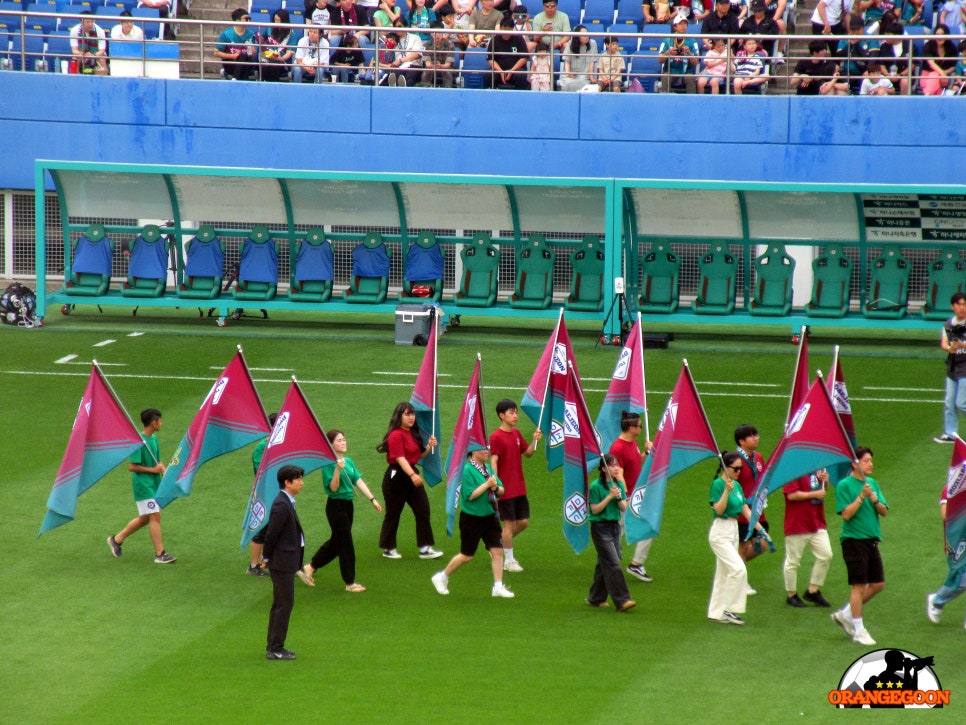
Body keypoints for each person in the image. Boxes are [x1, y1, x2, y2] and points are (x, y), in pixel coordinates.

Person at [298, 430, 382, 592]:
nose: (344, 442)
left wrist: (372, 499)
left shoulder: (349, 462)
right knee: (346, 544)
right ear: (331, 445)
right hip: (335, 507)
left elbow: (357, 480)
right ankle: (350, 582)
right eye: (339, 440)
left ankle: (309, 567)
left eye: (344, 439)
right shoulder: (328, 464)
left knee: (337, 543)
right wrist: (337, 469)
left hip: (348, 506)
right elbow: (334, 488)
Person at [431, 443, 515, 598]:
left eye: (487, 448)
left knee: (497, 550)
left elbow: (501, 491)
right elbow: (470, 495)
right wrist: (487, 484)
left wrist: (495, 487)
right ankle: (442, 576)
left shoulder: (488, 469)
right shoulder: (467, 471)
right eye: (483, 449)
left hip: (489, 516)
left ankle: (498, 586)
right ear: (472, 452)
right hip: (472, 518)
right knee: (467, 555)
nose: (486, 452)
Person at [831, 447, 889, 646]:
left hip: (871, 540)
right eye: (866, 461)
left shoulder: (872, 483)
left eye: (871, 460)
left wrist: (874, 500)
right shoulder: (844, 485)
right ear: (855, 464)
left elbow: (884, 511)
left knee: (878, 584)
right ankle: (858, 629)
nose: (870, 464)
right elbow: (846, 514)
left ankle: (846, 614)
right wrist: (862, 497)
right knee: (859, 585)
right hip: (853, 540)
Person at [107, 409, 176, 564]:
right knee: (155, 515)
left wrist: (163, 470)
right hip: (143, 485)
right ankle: (160, 554)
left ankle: (116, 540)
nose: (161, 423)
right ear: (154, 422)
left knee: (146, 518)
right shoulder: (139, 442)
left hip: (154, 483)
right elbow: (132, 466)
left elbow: (156, 461)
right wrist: (154, 470)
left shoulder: (154, 439)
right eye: (160, 421)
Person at [376, 401, 443, 559]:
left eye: (412, 414)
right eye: (407, 414)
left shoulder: (413, 433)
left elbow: (417, 456)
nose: (411, 417)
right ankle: (388, 548)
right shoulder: (395, 435)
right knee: (393, 513)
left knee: (423, 510)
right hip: (397, 477)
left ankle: (425, 548)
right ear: (399, 416)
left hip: (411, 473)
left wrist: (428, 447)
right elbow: (400, 458)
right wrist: (413, 475)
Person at [708, 452, 766, 625]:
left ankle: (716, 612)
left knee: (723, 572)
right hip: (720, 531)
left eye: (741, 468)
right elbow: (718, 510)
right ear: (726, 468)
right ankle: (729, 609)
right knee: (738, 569)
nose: (739, 471)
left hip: (732, 531)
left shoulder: (738, 486)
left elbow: (745, 510)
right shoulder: (718, 484)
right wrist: (726, 490)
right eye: (736, 468)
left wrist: (761, 531)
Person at [489, 399, 542, 572]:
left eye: (516, 412)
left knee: (524, 522)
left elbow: (527, 454)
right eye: (511, 413)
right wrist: (495, 481)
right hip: (505, 489)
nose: (515, 416)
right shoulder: (496, 436)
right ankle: (509, 561)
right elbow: (494, 459)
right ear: (501, 415)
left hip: (519, 487)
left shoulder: (517, 434)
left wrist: (535, 441)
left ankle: (499, 542)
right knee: (509, 525)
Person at [264, 464, 305, 660]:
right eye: (297, 479)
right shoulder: (282, 504)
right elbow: (271, 533)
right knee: (284, 604)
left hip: (284, 561)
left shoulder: (286, 502)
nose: (301, 482)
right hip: (282, 562)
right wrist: (266, 557)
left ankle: (273, 645)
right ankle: (276, 648)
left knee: (280, 604)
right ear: (287, 482)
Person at [586, 455, 637, 612]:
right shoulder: (596, 486)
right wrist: (609, 497)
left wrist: (620, 497)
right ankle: (622, 600)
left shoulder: (618, 484)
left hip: (614, 527)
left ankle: (595, 598)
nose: (616, 468)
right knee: (613, 563)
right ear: (604, 468)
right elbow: (594, 509)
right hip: (600, 527)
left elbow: (623, 508)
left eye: (617, 465)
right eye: (612, 465)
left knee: (604, 563)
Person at [609, 411, 654, 582]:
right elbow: (617, 474)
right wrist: (625, 497)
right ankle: (630, 564)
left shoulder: (632, 443)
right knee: (624, 530)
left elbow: (635, 463)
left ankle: (614, 562)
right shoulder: (618, 448)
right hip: (626, 498)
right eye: (640, 426)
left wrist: (646, 453)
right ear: (631, 428)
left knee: (620, 531)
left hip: (634, 496)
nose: (642, 428)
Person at [782, 470, 833, 608]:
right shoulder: (793, 469)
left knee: (826, 554)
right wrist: (814, 494)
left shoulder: (817, 468)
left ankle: (812, 591)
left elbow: (823, 489)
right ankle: (791, 595)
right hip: (797, 523)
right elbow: (792, 495)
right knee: (793, 561)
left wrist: (826, 481)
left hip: (816, 522)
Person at [733, 424, 769, 593]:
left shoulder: (759, 458)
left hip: (758, 511)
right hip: (742, 513)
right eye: (752, 435)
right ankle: (740, 582)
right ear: (741, 441)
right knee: (742, 546)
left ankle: (733, 568)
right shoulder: (735, 461)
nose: (757, 437)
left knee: (761, 544)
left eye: (757, 434)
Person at [926, 482, 966, 625]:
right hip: (957, 543)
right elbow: (945, 514)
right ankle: (937, 600)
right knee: (962, 580)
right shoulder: (951, 489)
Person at [247, 412, 278, 576]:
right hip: (264, 494)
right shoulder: (262, 447)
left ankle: (272, 561)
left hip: (279, 492)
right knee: (261, 528)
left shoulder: (280, 444)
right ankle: (254, 566)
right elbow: (261, 471)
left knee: (278, 527)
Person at [936, 293, 966, 443]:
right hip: (953, 367)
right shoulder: (948, 324)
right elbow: (944, 343)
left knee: (961, 403)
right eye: (959, 304)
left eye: (964, 304)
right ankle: (950, 433)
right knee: (949, 403)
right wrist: (950, 348)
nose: (962, 308)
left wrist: (962, 344)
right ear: (953, 306)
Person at [658, 14, 700, 93]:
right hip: (670, 70)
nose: (683, 26)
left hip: (687, 72)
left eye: (685, 24)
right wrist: (668, 52)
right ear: (675, 27)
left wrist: (689, 54)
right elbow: (659, 60)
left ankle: (692, 102)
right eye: (680, 24)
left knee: (690, 78)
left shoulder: (692, 41)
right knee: (665, 76)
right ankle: (665, 101)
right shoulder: (667, 40)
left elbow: (696, 62)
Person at [835, 15, 876, 95]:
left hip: (863, 73)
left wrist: (868, 70)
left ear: (863, 28)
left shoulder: (871, 38)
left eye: (858, 29)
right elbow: (839, 57)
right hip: (846, 73)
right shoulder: (844, 39)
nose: (855, 32)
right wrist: (850, 44)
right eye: (852, 30)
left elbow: (873, 57)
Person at [214, 8, 257, 81]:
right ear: (237, 20)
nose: (249, 21)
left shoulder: (250, 34)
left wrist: (252, 53)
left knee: (244, 57)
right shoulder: (226, 34)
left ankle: (235, 79)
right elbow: (216, 52)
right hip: (231, 62)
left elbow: (250, 54)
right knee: (242, 60)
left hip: (246, 63)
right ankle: (240, 80)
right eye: (246, 19)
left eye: (249, 18)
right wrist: (232, 56)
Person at [487, 16, 530, 89]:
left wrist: (512, 70)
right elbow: (490, 60)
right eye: (505, 29)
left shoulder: (519, 38)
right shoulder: (494, 40)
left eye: (509, 29)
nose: (507, 32)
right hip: (499, 70)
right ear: (500, 28)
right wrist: (501, 71)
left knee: (520, 75)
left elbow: (524, 58)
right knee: (488, 75)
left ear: (512, 28)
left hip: (516, 69)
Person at [258, 9, 297, 82]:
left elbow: (289, 53)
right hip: (267, 56)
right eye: (275, 20)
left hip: (281, 61)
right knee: (264, 66)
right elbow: (262, 39)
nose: (276, 22)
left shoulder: (292, 34)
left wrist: (280, 58)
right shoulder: (270, 28)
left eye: (278, 20)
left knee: (273, 65)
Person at [920, 23, 958, 96]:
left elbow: (953, 66)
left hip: (944, 78)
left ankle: (926, 98)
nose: (939, 37)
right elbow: (931, 63)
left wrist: (943, 73)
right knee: (935, 75)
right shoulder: (928, 45)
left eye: (942, 34)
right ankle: (927, 96)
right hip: (927, 77)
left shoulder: (951, 47)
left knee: (936, 76)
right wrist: (941, 74)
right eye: (937, 34)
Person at [558, 24, 597, 92]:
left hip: (585, 74)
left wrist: (591, 77)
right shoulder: (570, 44)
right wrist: (568, 73)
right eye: (583, 35)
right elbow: (567, 61)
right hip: (572, 74)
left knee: (582, 82)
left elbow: (592, 61)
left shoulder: (592, 43)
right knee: (567, 83)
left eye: (587, 34)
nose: (586, 37)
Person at [876, 20, 911, 95]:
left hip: (903, 76)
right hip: (887, 76)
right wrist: (888, 75)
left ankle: (903, 104)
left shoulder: (910, 45)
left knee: (905, 81)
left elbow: (913, 65)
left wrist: (900, 75)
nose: (886, 36)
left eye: (888, 34)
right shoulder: (883, 47)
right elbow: (881, 65)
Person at [70, 11, 109, 76]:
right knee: (76, 57)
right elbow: (74, 50)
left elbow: (102, 51)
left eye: (92, 21)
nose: (90, 24)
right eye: (87, 22)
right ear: (81, 22)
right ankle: (75, 77)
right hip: (82, 53)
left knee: (102, 59)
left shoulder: (100, 31)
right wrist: (83, 54)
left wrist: (93, 55)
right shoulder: (75, 31)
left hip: (96, 53)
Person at [420, 20, 456, 86]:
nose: (437, 35)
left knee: (447, 72)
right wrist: (433, 65)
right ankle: (425, 89)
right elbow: (427, 64)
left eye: (439, 33)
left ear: (443, 33)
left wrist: (441, 66)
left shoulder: (450, 45)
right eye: (434, 33)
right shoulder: (426, 45)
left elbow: (448, 64)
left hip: (446, 67)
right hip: (432, 67)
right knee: (426, 71)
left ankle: (448, 90)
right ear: (431, 33)